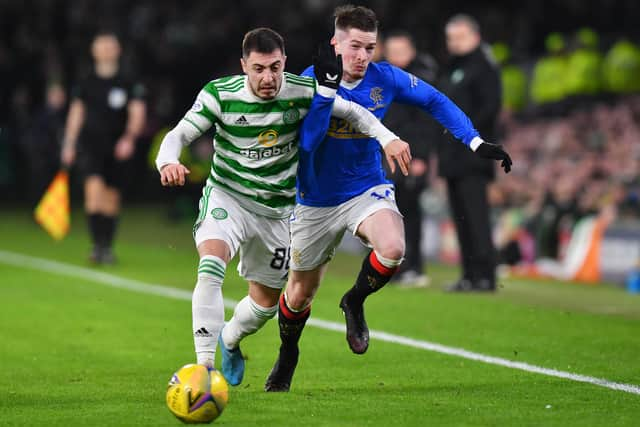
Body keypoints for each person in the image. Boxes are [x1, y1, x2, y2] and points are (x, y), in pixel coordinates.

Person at [265, 5, 512, 392]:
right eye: (355, 47)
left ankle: (355, 301)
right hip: (315, 199)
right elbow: (308, 144)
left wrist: (474, 140)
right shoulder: (307, 82)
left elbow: (434, 100)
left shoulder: (385, 78)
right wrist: (325, 95)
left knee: (394, 248)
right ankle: (288, 353)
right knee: (298, 295)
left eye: (370, 47)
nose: (363, 57)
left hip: (366, 188)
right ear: (336, 43)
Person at [154, 28, 411, 387]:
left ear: (285, 63)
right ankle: (204, 368)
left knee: (265, 307)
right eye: (259, 69)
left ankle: (229, 339)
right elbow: (179, 134)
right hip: (228, 196)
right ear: (244, 66)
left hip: (276, 211)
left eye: (275, 67)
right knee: (211, 264)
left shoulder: (299, 90)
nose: (268, 78)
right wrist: (168, 161)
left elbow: (354, 112)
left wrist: (389, 138)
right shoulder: (219, 94)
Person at [61, 31, 146, 264]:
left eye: (111, 45)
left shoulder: (128, 81)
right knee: (93, 192)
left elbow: (137, 112)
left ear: (118, 50)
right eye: (102, 46)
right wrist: (68, 143)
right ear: (94, 51)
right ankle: (97, 245)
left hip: (118, 146)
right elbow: (76, 114)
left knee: (111, 197)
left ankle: (107, 247)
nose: (106, 50)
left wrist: (129, 138)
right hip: (91, 146)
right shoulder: (86, 82)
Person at [436, 14, 503, 292]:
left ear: (475, 37)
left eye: (460, 37)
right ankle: (469, 274)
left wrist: (465, 133)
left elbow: (490, 108)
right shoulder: (451, 67)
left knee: (476, 217)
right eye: (451, 37)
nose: (454, 42)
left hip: (473, 154)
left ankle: (486, 275)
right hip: (451, 156)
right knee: (461, 218)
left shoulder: (484, 66)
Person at [382, 30, 438, 287]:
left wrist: (421, 157)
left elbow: (425, 123)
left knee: (409, 211)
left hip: (411, 155)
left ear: (412, 52)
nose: (395, 57)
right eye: (391, 52)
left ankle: (414, 265)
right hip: (388, 154)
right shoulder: (386, 77)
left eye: (400, 52)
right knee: (390, 210)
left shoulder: (419, 80)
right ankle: (396, 263)